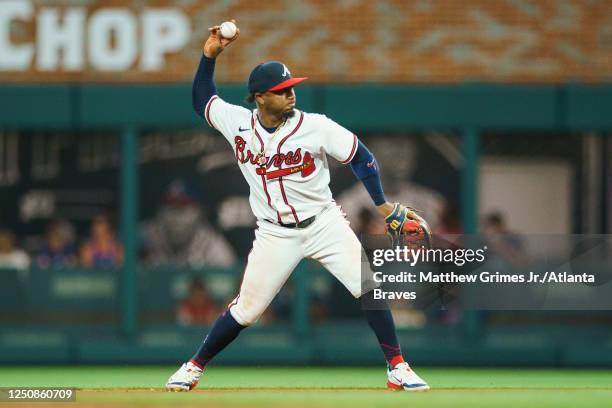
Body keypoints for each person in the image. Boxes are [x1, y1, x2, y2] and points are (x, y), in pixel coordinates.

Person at [166, 20, 429, 392]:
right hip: (275, 233)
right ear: (259, 97)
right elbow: (202, 101)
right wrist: (209, 56)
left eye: (292, 88)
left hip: (324, 223)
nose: (291, 95)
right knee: (247, 310)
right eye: (281, 90)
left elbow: (362, 157)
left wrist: (383, 205)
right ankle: (193, 366)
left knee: (369, 289)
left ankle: (398, 367)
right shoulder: (238, 123)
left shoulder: (315, 126)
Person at [141, 179, 236, 267]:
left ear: (199, 212)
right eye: (170, 207)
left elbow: (228, 281)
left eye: (182, 209)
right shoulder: (149, 234)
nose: (175, 217)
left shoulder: (213, 247)